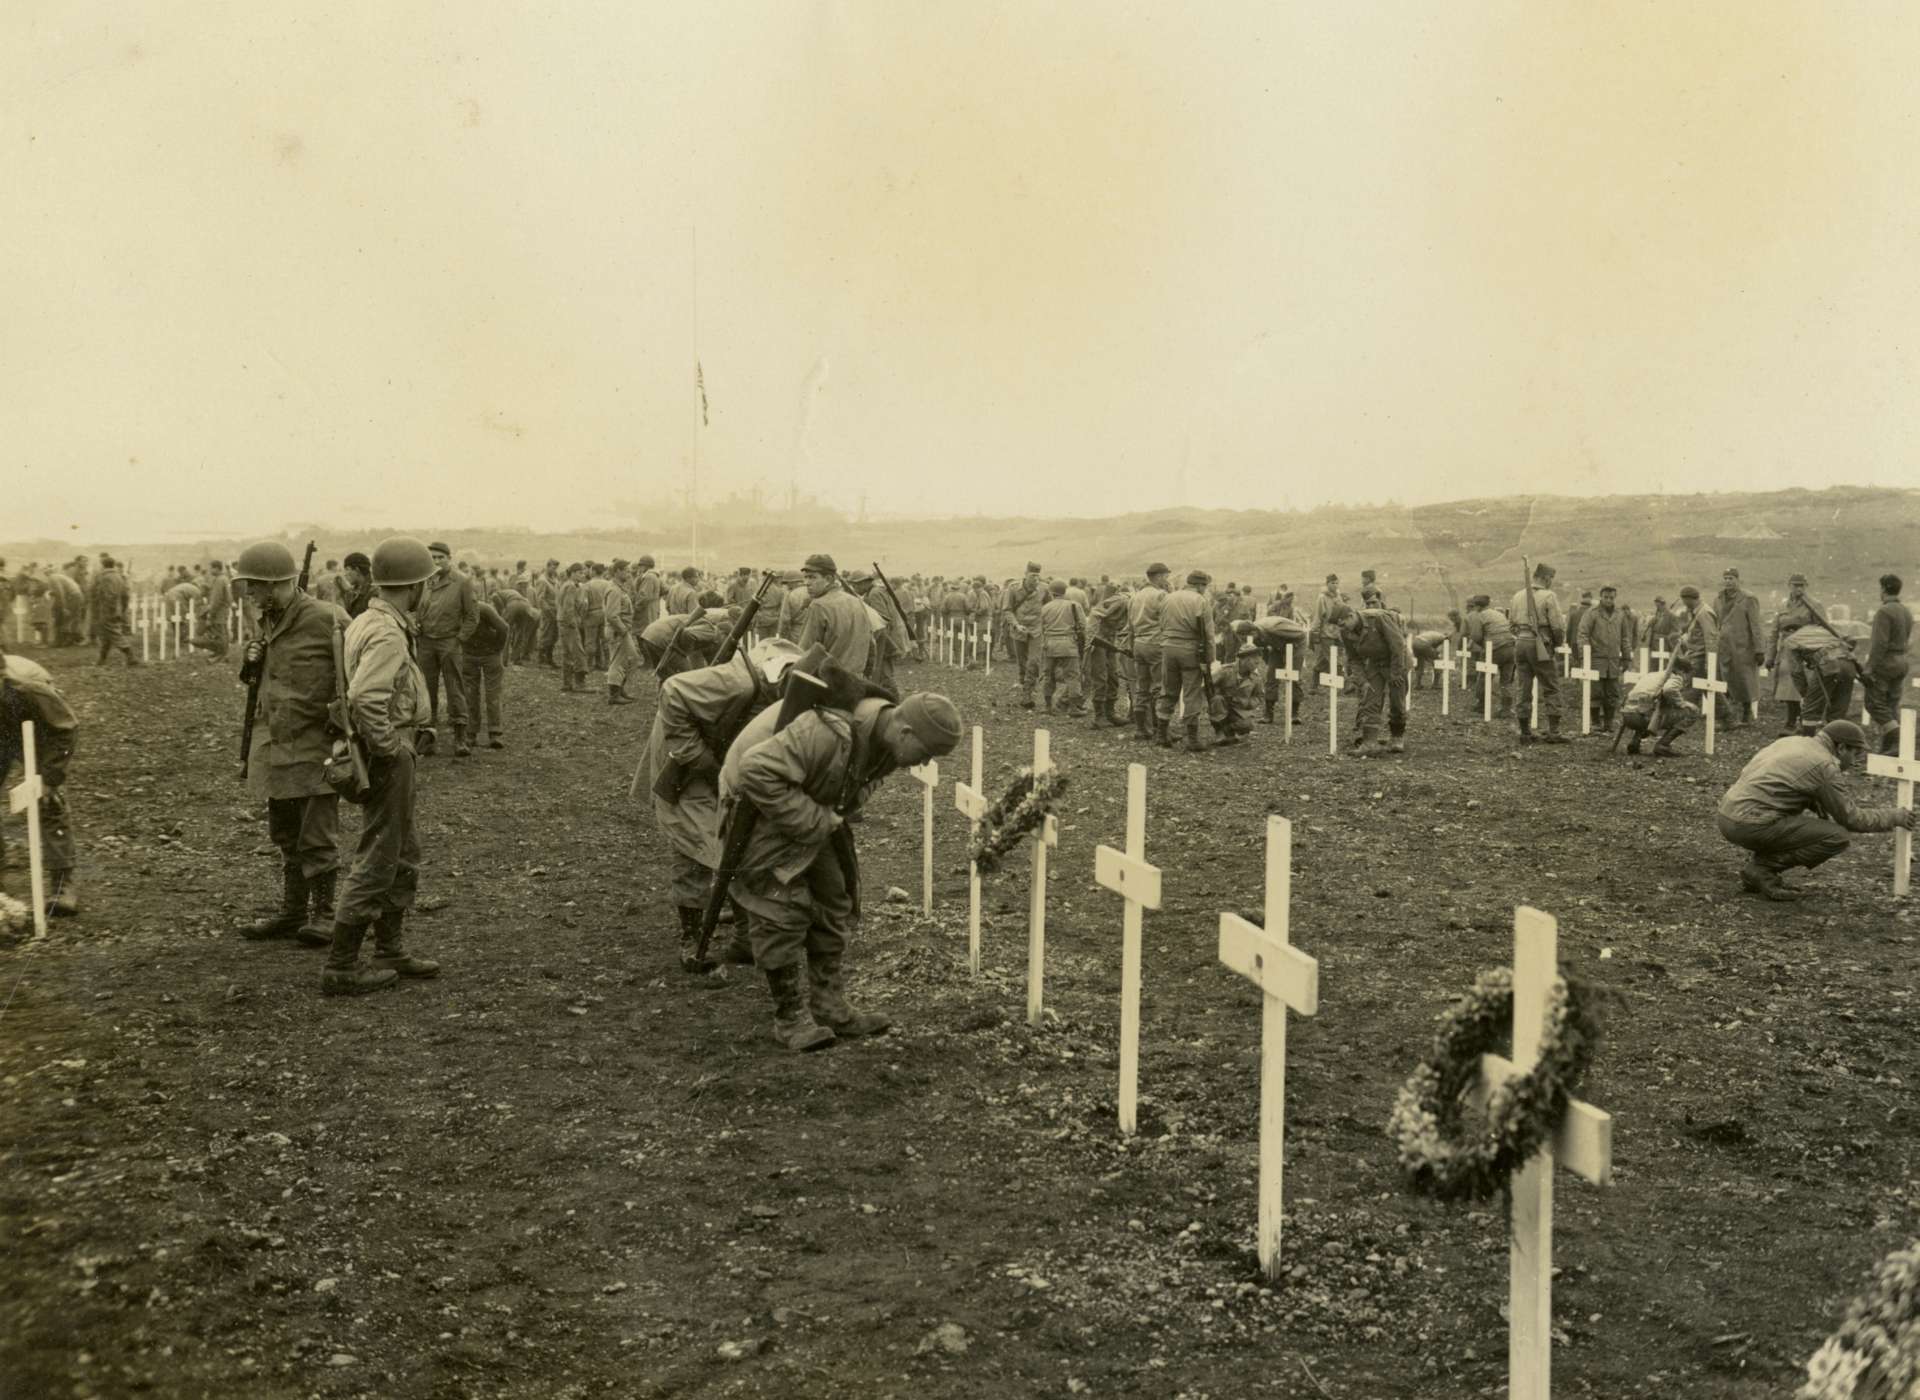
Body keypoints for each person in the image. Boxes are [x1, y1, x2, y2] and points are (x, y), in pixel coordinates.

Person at [722, 684, 963, 1050]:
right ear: (905, 731)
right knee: (780, 908)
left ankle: (829, 1006)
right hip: (760, 808)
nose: (924, 764)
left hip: (810, 803)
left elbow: (868, 779)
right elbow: (755, 771)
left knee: (835, 899)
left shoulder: (886, 742)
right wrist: (817, 818)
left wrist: (835, 811)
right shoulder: (825, 731)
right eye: (926, 753)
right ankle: (789, 1019)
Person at [323, 536, 442, 995]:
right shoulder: (388, 632)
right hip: (388, 751)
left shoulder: (371, 621)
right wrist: (391, 747)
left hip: (383, 748)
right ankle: (342, 964)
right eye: (425, 584)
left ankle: (389, 949)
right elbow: (365, 696)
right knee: (379, 854)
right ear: (413, 587)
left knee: (401, 849)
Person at [646, 637, 803, 971]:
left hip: (718, 761)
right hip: (685, 765)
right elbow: (672, 691)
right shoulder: (740, 681)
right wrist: (698, 757)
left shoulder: (771, 683)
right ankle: (691, 938)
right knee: (696, 843)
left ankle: (745, 937)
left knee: (735, 836)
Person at [227, 541, 343, 946]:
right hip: (277, 744)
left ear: (275, 585)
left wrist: (341, 725)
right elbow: (265, 681)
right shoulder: (269, 620)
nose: (249, 596)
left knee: (318, 837)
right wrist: (251, 660)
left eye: (254, 588)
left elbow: (358, 679)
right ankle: (293, 913)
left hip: (316, 747)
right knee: (285, 834)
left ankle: (326, 914)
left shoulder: (328, 619)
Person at [1714, 719, 1914, 900]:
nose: (1853, 762)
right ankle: (1762, 869)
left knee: (1793, 820)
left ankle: (1757, 869)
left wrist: (1811, 800)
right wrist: (1893, 816)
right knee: (1836, 836)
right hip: (1749, 824)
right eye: (1855, 754)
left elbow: (1773, 781)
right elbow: (1852, 819)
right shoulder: (1824, 765)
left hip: (1727, 815)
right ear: (1841, 747)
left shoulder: (1793, 742)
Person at [0, 642, 82, 916]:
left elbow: (65, 728)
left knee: (48, 800)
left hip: (36, 727)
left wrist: (49, 777)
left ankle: (63, 883)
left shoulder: (27, 688)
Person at [414, 542, 476, 756]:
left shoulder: (462, 581)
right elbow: (415, 608)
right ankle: (428, 738)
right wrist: (416, 624)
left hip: (449, 642)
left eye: (440, 557)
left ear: (450, 558)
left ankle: (461, 738)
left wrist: (459, 639)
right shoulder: (425, 581)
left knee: (454, 688)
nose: (437, 561)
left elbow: (472, 616)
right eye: (433, 558)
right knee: (425, 690)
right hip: (426, 643)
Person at [1332, 599, 1408, 755]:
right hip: (1374, 663)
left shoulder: (1378, 619)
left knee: (1397, 701)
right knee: (1370, 699)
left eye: (1343, 624)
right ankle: (1369, 743)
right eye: (1339, 626)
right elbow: (1353, 659)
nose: (1342, 628)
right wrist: (1362, 681)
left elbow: (1398, 645)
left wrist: (1395, 673)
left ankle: (1397, 737)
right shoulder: (1345, 632)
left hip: (1396, 661)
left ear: (1351, 615)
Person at [1157, 570, 1216, 753]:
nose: (1204, 590)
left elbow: (1161, 623)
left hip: (1168, 647)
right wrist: (1210, 659)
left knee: (1168, 690)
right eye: (1204, 586)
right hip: (1190, 650)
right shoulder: (1200, 601)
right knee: (1191, 693)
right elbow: (1209, 635)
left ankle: (1161, 734)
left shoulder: (1168, 598)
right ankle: (1192, 739)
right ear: (1199, 585)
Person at [1509, 563, 1569, 743]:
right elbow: (1557, 626)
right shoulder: (1549, 596)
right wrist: (1556, 643)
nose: (1551, 582)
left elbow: (1511, 623)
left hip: (1521, 642)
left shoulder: (1517, 595)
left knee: (1523, 687)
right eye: (1551, 579)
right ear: (1546, 578)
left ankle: (1525, 732)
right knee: (1551, 686)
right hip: (1540, 644)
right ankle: (1554, 732)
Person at [795, 555, 872, 676]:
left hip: (829, 682)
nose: (807, 583)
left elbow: (805, 653)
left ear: (829, 579)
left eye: (812, 577)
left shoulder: (818, 606)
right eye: (806, 578)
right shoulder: (856, 601)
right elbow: (871, 643)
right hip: (856, 679)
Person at [1765, 573, 1822, 733]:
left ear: (1806, 586)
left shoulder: (1814, 605)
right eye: (1795, 585)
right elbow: (1774, 632)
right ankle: (1791, 721)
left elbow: (1822, 629)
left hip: (1805, 651)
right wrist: (1770, 656)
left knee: (1805, 687)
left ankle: (1804, 721)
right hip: (1786, 650)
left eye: (1801, 585)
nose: (1798, 588)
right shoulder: (1783, 607)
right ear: (1789, 586)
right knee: (1787, 686)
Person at [1864, 574, 1912, 752]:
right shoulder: (1905, 611)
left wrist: (1869, 668)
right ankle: (1889, 747)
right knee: (1891, 704)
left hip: (1886, 663)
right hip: (1901, 661)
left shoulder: (1884, 611)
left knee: (1874, 703)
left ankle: (1898, 738)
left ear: (1883, 589)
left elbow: (1879, 644)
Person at [1577, 585, 1633, 734]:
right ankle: (1595, 723)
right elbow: (1583, 635)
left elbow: (1625, 637)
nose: (1609, 600)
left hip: (1613, 661)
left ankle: (1608, 723)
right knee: (1596, 692)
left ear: (1615, 598)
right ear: (1601, 597)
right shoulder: (1591, 613)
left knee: (1612, 693)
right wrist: (1585, 656)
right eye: (1606, 597)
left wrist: (1626, 657)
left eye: (1612, 597)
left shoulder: (1620, 615)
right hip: (1596, 659)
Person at [1619, 654, 1697, 757]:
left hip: (1627, 715)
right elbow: (1669, 690)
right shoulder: (1676, 678)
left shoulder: (1652, 675)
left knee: (1650, 706)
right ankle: (1663, 745)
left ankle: (1635, 742)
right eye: (1687, 675)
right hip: (1642, 718)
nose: (1686, 678)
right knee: (1692, 712)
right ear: (1681, 671)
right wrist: (1682, 703)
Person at [846, 568, 908, 695]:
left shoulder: (874, 594)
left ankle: (892, 698)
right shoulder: (876, 591)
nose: (854, 589)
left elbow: (882, 619)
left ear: (863, 583)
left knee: (884, 673)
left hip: (884, 637)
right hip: (886, 637)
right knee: (884, 672)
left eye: (855, 585)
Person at [1715, 568, 1764, 730]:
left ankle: (1746, 714)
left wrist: (1759, 649)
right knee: (1724, 680)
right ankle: (1729, 717)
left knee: (1744, 681)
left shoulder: (1748, 599)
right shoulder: (1719, 598)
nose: (1728, 581)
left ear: (1738, 580)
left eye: (1731, 578)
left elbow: (1756, 625)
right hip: (1724, 646)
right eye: (1726, 578)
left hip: (1743, 646)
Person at [459, 598, 510, 746]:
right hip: (469, 655)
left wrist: (497, 648)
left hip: (490, 654)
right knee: (469, 693)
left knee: (492, 693)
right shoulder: (453, 610)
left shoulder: (484, 609)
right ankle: (471, 732)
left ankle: (495, 732)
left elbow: (504, 628)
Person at [1127, 564, 1170, 741]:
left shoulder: (1134, 597)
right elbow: (1167, 621)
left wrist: (1132, 646)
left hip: (1138, 644)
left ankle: (1140, 729)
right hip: (1156, 643)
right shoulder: (1161, 595)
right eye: (1165, 576)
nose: (1166, 580)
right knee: (1160, 687)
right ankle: (1162, 731)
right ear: (1158, 577)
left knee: (1141, 688)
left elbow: (1130, 626)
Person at [1036, 579, 1088, 717]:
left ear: (1051, 593)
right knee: (1073, 676)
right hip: (1069, 644)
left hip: (1049, 645)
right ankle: (1073, 708)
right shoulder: (1074, 605)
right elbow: (1083, 626)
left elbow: (1040, 627)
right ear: (1064, 591)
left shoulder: (1045, 608)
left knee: (1048, 676)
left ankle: (1048, 706)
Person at [1084, 585, 1131, 727]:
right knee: (1100, 677)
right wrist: (1090, 637)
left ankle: (1110, 713)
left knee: (1113, 676)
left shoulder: (1130, 602)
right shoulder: (1122, 601)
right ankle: (1099, 716)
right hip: (1098, 640)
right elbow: (1095, 614)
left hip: (1110, 639)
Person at [1002, 563, 1047, 709]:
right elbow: (1007, 610)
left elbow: (1049, 606)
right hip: (1018, 629)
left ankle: (1027, 693)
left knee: (1034, 661)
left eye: (1037, 575)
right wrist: (1016, 624)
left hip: (1036, 630)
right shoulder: (1013, 588)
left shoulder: (1044, 588)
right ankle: (1024, 685)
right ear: (1025, 574)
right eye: (1032, 575)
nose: (1035, 578)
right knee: (1022, 662)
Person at [89, 558, 136, 666]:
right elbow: (125, 595)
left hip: (107, 610)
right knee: (106, 634)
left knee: (113, 632)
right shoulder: (119, 576)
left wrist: (107, 609)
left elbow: (109, 595)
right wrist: (123, 609)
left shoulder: (104, 577)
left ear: (103, 565)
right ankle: (101, 659)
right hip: (116, 609)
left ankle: (131, 656)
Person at [602, 577, 639, 705]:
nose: (629, 574)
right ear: (618, 572)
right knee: (618, 662)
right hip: (618, 630)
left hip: (621, 629)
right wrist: (622, 630)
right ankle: (614, 695)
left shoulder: (618, 588)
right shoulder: (614, 590)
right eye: (626, 571)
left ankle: (620, 690)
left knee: (630, 658)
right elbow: (612, 615)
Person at [558, 563, 592, 693]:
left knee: (568, 653)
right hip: (569, 624)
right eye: (579, 573)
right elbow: (568, 608)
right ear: (572, 573)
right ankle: (580, 684)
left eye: (582, 573)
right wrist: (574, 623)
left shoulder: (567, 585)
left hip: (564, 622)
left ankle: (567, 684)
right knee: (578, 653)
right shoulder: (571, 586)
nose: (582, 575)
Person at [330, 552, 373, 619]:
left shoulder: (373, 592)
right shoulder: (355, 590)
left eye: (347, 569)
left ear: (357, 570)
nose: (345, 574)